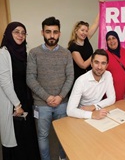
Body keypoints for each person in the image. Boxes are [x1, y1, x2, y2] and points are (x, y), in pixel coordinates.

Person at [26, 17, 74, 160]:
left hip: (62, 103)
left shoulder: (66, 53)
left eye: (55, 32)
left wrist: (60, 97)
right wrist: (47, 97)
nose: (51, 35)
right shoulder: (34, 53)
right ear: (42, 32)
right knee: (43, 136)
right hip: (41, 105)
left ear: (59, 33)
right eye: (48, 32)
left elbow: (70, 77)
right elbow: (30, 78)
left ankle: (62, 158)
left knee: (64, 135)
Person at [0, 22, 40, 160]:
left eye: (23, 32)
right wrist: (17, 105)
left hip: (25, 99)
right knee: (16, 136)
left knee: (27, 135)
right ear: (9, 34)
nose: (20, 35)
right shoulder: (3, 53)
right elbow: (4, 82)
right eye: (16, 32)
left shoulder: (23, 53)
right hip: (13, 102)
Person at [67, 49, 115, 119]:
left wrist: (94, 106)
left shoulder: (108, 75)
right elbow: (70, 110)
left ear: (107, 65)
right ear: (91, 63)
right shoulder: (81, 81)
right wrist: (92, 115)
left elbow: (112, 98)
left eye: (103, 63)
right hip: (82, 114)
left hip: (98, 110)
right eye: (96, 62)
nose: (99, 67)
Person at [68, 14, 99, 82]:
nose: (84, 33)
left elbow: (96, 23)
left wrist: (102, 6)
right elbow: (83, 65)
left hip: (90, 76)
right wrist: (95, 55)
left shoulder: (86, 39)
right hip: (79, 79)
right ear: (76, 31)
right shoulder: (73, 47)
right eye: (82, 30)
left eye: (86, 31)